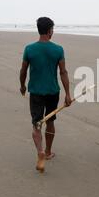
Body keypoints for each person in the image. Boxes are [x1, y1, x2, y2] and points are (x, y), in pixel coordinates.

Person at [19, 17, 72, 173]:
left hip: (35, 91)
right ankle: (48, 152)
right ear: (50, 31)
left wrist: (22, 86)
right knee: (50, 121)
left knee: (36, 124)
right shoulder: (58, 49)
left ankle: (40, 151)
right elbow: (63, 72)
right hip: (52, 91)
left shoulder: (29, 49)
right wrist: (68, 94)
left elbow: (23, 71)